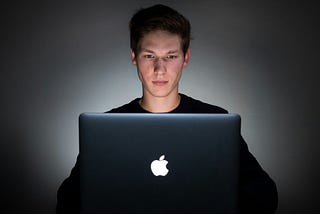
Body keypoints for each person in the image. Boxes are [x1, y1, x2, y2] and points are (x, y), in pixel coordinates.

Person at [56, 4, 278, 214]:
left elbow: (265, 195)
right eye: (149, 56)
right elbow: (68, 202)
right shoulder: (106, 130)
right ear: (134, 57)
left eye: (170, 56)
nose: (159, 70)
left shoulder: (215, 122)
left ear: (185, 58)